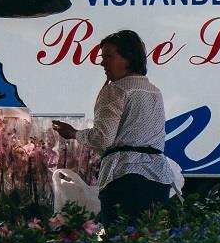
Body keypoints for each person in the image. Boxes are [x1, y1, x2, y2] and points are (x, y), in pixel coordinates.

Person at [52, 30, 174, 223]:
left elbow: (103, 139)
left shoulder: (115, 90)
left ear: (128, 58)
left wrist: (74, 133)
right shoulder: (154, 91)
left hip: (124, 176)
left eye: (108, 56)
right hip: (158, 177)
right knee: (151, 242)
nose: (102, 63)